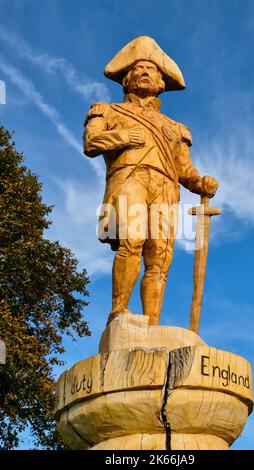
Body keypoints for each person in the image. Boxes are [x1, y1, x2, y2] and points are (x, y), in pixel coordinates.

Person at [83, 36, 218, 326]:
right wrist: (123, 137)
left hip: (166, 188)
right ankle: (119, 311)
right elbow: (91, 142)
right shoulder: (106, 110)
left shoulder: (175, 127)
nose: (146, 72)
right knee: (131, 241)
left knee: (159, 258)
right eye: (139, 68)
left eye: (152, 70)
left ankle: (151, 324)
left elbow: (185, 170)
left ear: (160, 83)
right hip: (128, 178)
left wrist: (200, 182)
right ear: (126, 80)